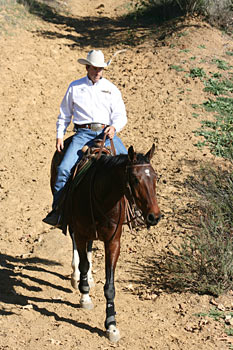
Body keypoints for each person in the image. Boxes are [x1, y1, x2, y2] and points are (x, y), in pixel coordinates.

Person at [43, 49, 128, 227]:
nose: (97, 72)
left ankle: (131, 210)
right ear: (87, 67)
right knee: (64, 169)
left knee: (130, 167)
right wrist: (60, 135)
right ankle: (59, 211)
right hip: (82, 134)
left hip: (106, 133)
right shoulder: (74, 87)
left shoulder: (111, 89)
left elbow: (121, 115)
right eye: (94, 68)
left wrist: (114, 127)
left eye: (100, 69)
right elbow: (64, 114)